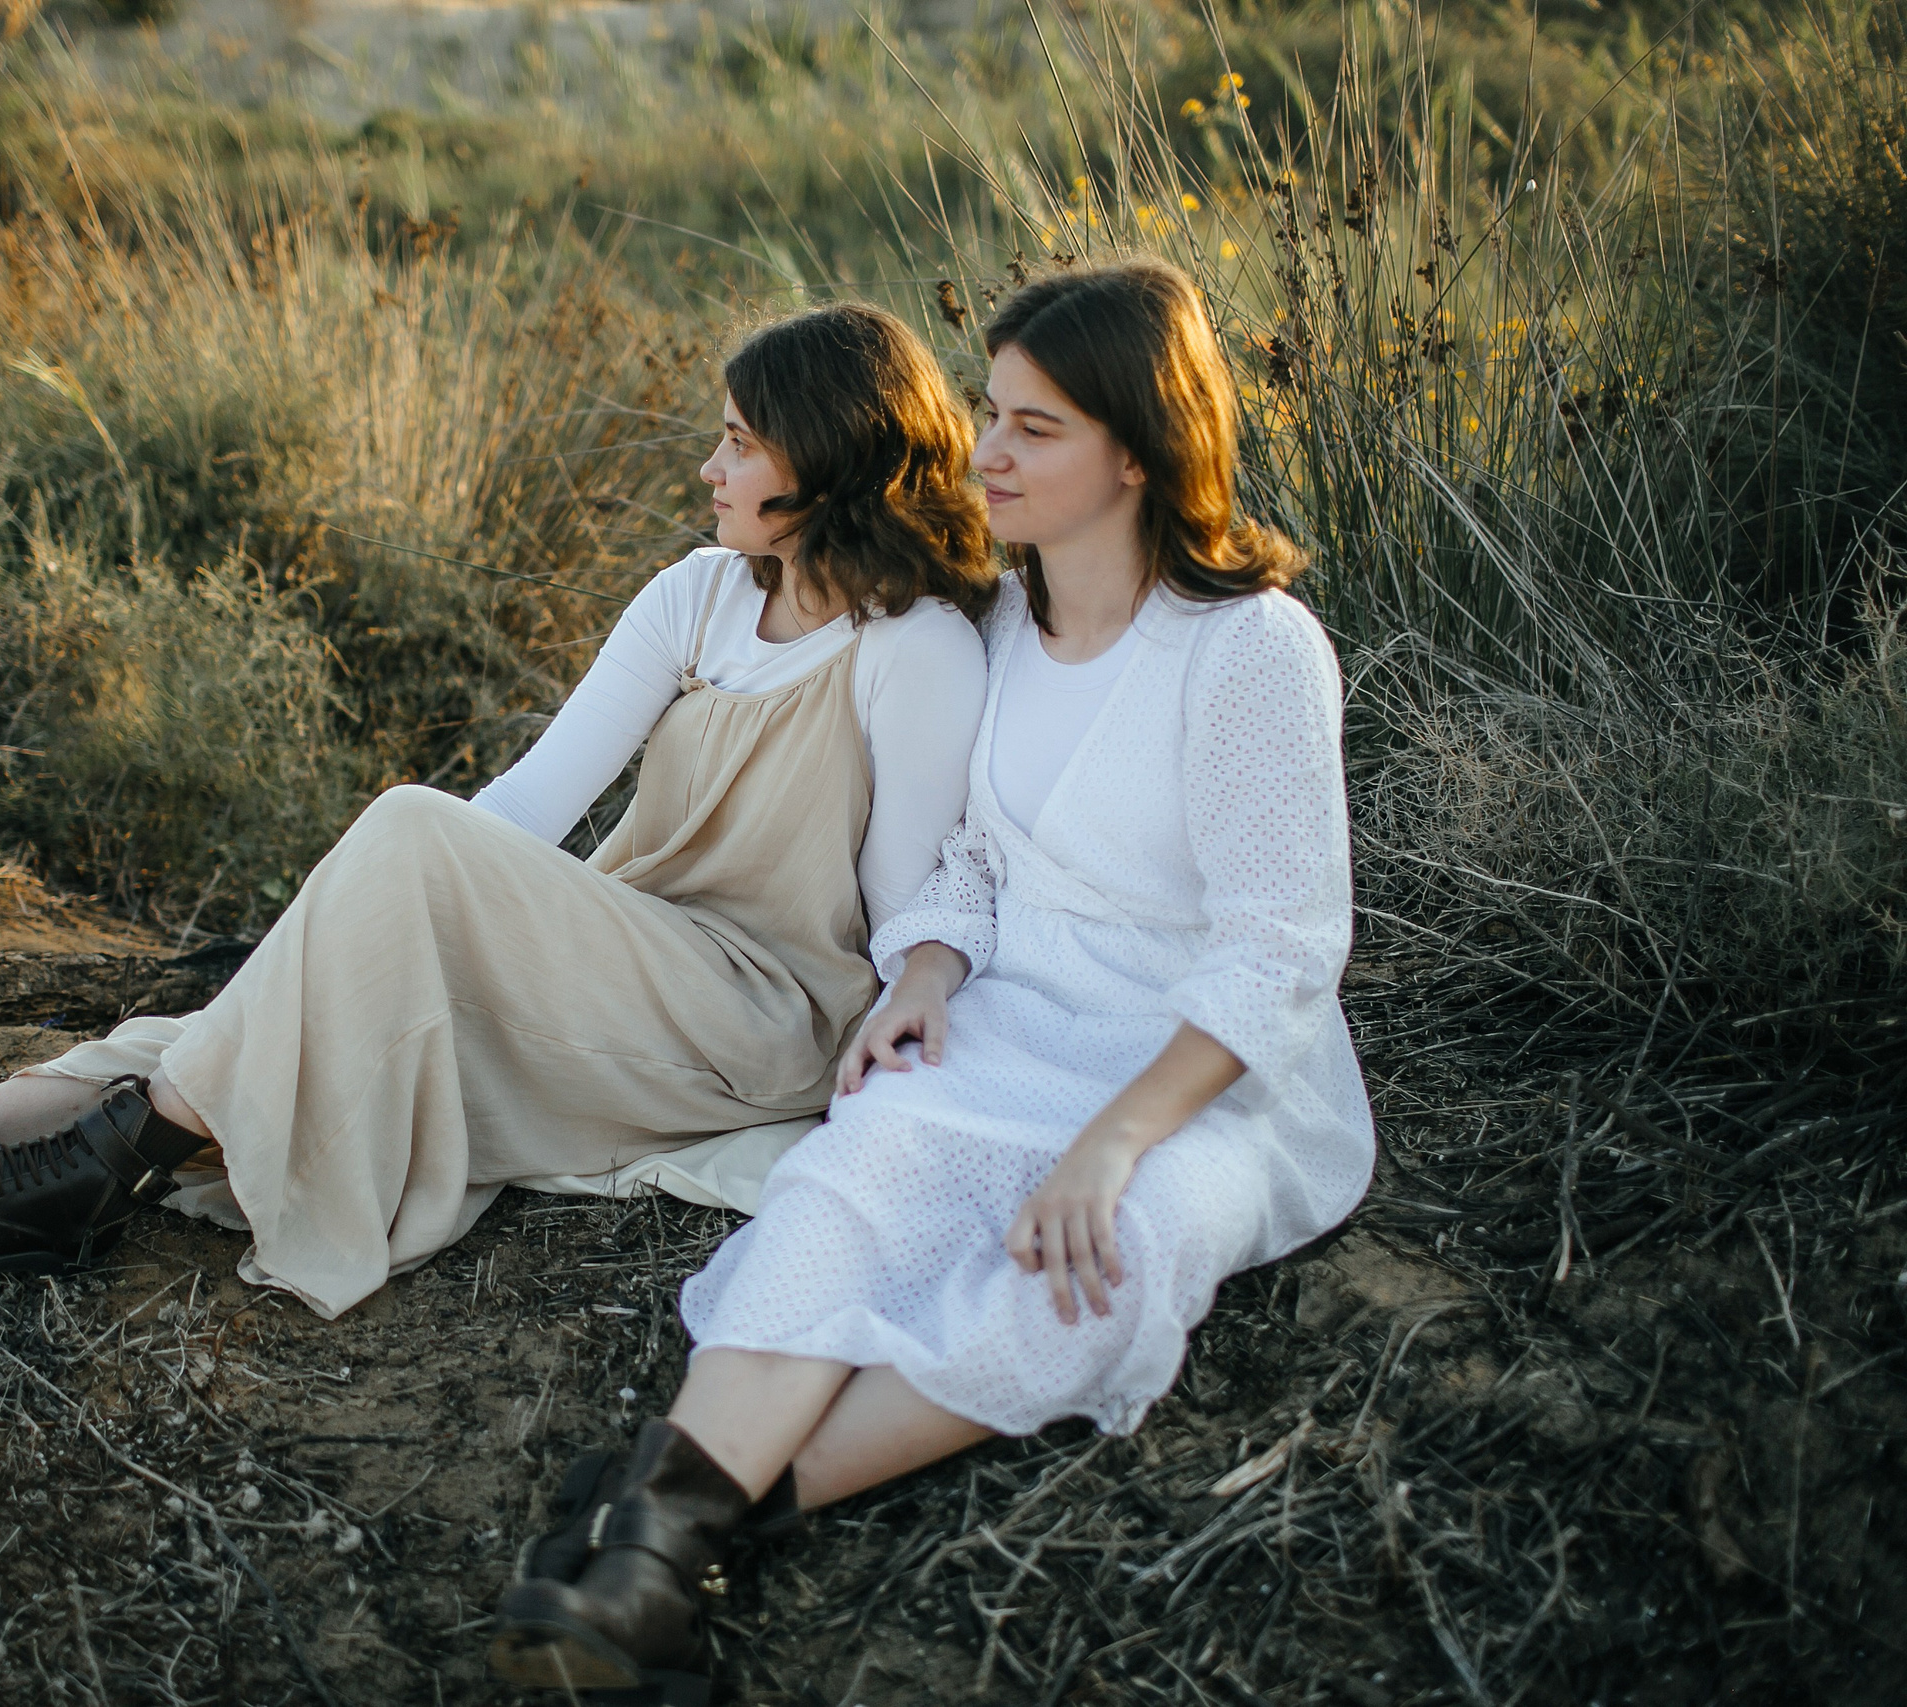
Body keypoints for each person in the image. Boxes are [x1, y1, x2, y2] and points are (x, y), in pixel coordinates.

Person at [0, 303, 1001, 1322]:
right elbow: (529, 804)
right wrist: (356, 934)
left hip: (758, 1016)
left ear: (823, 461)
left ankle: (79, 1180)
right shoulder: (699, 595)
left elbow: (901, 913)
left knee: (410, 837)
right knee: (261, 1010)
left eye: (738, 441)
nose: (708, 466)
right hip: (622, 955)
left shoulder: (916, 645)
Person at [487, 258, 1376, 1705]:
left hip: (1207, 1082)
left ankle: (698, 1530)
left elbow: (1282, 947)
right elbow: (970, 860)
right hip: (1015, 1018)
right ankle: (653, 1541)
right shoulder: (1004, 629)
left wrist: (1113, 1141)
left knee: (1100, 1254)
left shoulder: (1249, 649)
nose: (985, 454)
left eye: (1036, 428)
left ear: (1142, 452)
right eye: (988, 414)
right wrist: (929, 968)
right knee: (857, 1180)